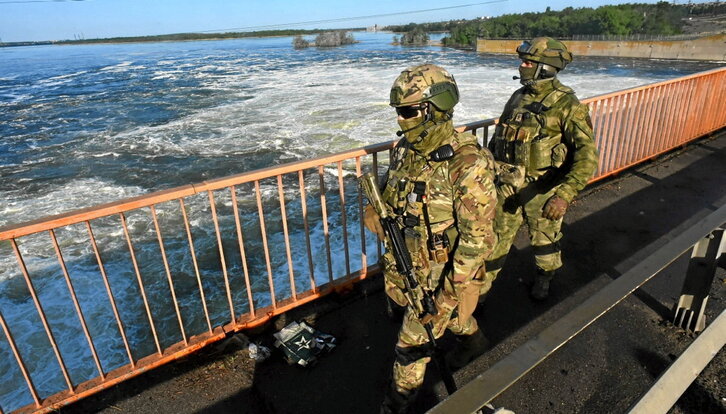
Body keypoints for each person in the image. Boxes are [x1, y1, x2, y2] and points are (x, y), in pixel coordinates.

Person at [364, 64, 497, 413]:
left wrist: (444, 297)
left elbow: (478, 239)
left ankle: (396, 404)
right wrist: (373, 207)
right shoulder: (406, 149)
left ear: (435, 109)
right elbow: (392, 187)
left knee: (410, 347)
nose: (402, 120)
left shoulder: (467, 163)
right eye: (399, 112)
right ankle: (473, 341)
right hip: (408, 263)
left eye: (408, 111)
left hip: (442, 277)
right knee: (455, 321)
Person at [482, 37, 599, 301]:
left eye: (528, 62)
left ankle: (545, 279)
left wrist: (564, 195)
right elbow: (499, 138)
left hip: (543, 190)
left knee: (544, 241)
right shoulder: (518, 97)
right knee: (495, 240)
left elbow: (587, 156)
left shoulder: (567, 105)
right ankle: (480, 292)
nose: (522, 66)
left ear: (545, 67)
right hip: (508, 187)